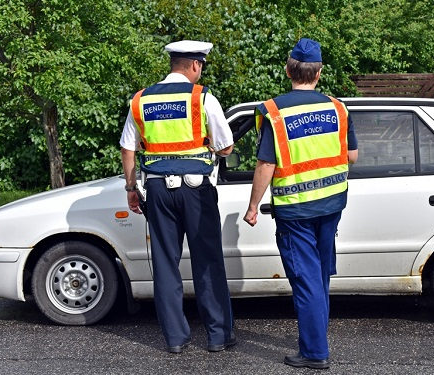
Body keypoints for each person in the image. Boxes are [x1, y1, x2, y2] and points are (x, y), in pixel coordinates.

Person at [243, 38, 358, 369]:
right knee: (319, 276)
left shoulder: (276, 113)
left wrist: (253, 207)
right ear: (319, 73)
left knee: (306, 280)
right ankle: (316, 338)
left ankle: (314, 352)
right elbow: (351, 155)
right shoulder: (337, 108)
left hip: (295, 210)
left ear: (288, 70)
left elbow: (266, 165)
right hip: (331, 205)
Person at [120, 40, 236, 354]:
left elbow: (128, 148)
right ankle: (217, 336)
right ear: (195, 65)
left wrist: (132, 189)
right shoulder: (201, 98)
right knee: (207, 260)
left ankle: (175, 338)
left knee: (165, 263)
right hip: (196, 191)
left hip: (157, 190)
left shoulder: (140, 100)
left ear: (173, 63)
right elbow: (226, 147)